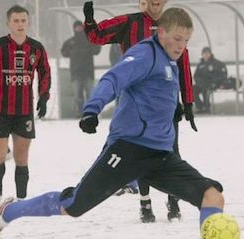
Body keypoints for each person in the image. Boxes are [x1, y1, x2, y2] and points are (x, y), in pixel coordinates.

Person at [0, 8, 229, 239]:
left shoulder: (171, 59)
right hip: (128, 150)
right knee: (72, 206)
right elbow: (112, 79)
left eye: (186, 40)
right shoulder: (145, 54)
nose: (181, 45)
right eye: (177, 38)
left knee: (212, 196)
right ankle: (8, 212)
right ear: (161, 32)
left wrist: (182, 105)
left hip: (162, 156)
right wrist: (92, 109)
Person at [83, 0, 197, 222]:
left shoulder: (175, 26)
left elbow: (183, 63)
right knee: (142, 153)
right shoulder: (129, 22)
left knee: (170, 151)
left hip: (166, 103)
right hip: (136, 103)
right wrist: (89, 21)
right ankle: (145, 203)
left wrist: (188, 101)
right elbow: (96, 36)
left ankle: (174, 199)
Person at [0, 5, 51, 204]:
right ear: (8, 23)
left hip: (24, 111)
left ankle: (21, 199)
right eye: (15, 21)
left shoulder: (36, 48)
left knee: (21, 156)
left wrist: (43, 97)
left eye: (23, 20)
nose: (19, 24)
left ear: (28, 22)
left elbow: (45, 72)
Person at [61, 20, 101, 117]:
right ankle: (80, 112)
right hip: (76, 73)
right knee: (77, 96)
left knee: (90, 95)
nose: (78, 29)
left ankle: (90, 112)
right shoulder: (70, 42)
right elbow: (64, 52)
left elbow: (97, 49)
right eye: (77, 27)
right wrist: (71, 51)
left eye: (80, 27)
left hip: (88, 72)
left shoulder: (90, 40)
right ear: (74, 28)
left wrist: (89, 49)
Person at [193, 47, 227, 114]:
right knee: (192, 89)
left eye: (207, 53)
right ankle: (200, 107)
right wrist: (200, 83)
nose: (206, 55)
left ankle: (206, 108)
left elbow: (222, 75)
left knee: (206, 89)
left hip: (213, 84)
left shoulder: (217, 63)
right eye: (204, 53)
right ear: (202, 54)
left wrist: (214, 82)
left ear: (210, 54)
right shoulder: (200, 65)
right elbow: (196, 76)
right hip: (202, 84)